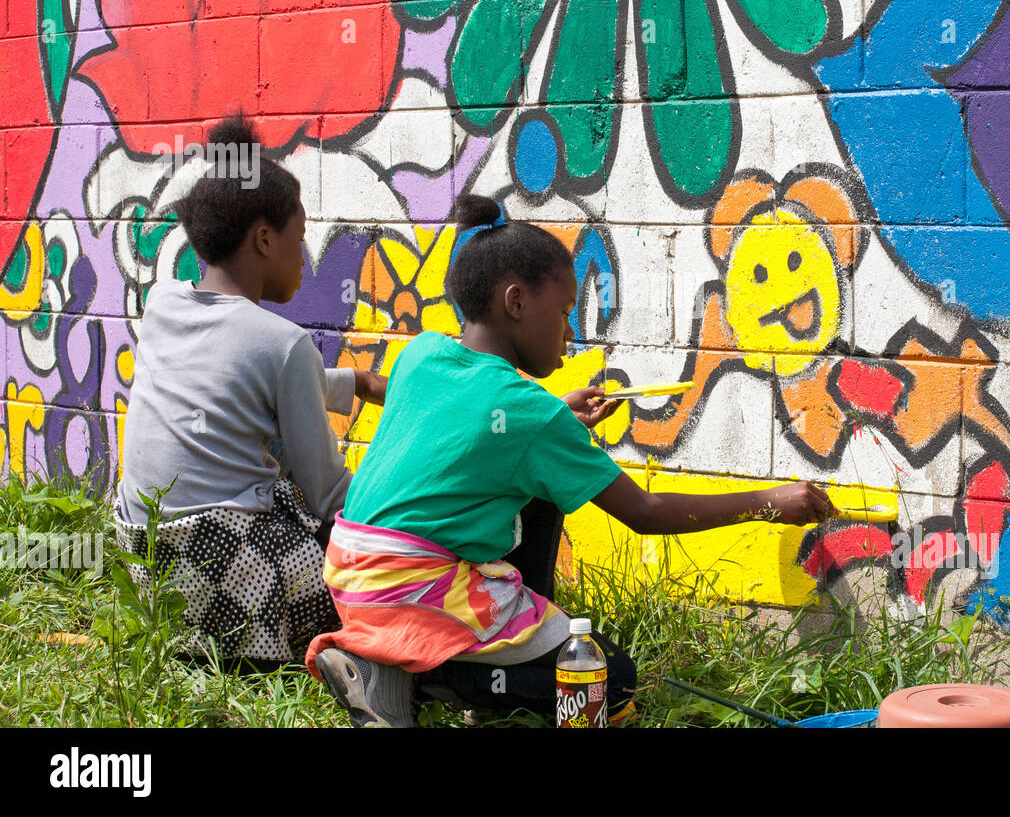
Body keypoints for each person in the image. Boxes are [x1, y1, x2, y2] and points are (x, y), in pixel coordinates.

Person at [308, 192, 838, 726]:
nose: (568, 332)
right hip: (411, 593)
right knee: (609, 677)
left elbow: (464, 426)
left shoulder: (422, 353)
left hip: (352, 573)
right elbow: (646, 513)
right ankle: (409, 677)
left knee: (543, 491)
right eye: (562, 312)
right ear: (515, 303)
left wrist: (554, 418)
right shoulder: (529, 415)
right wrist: (768, 501)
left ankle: (437, 658)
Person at [114, 116, 386, 669]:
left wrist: (353, 382)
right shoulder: (284, 345)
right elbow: (329, 494)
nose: (304, 253)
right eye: (300, 233)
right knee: (350, 541)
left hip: (146, 572)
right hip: (225, 578)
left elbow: (234, 378)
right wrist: (402, 502)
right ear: (265, 238)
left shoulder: (164, 302)